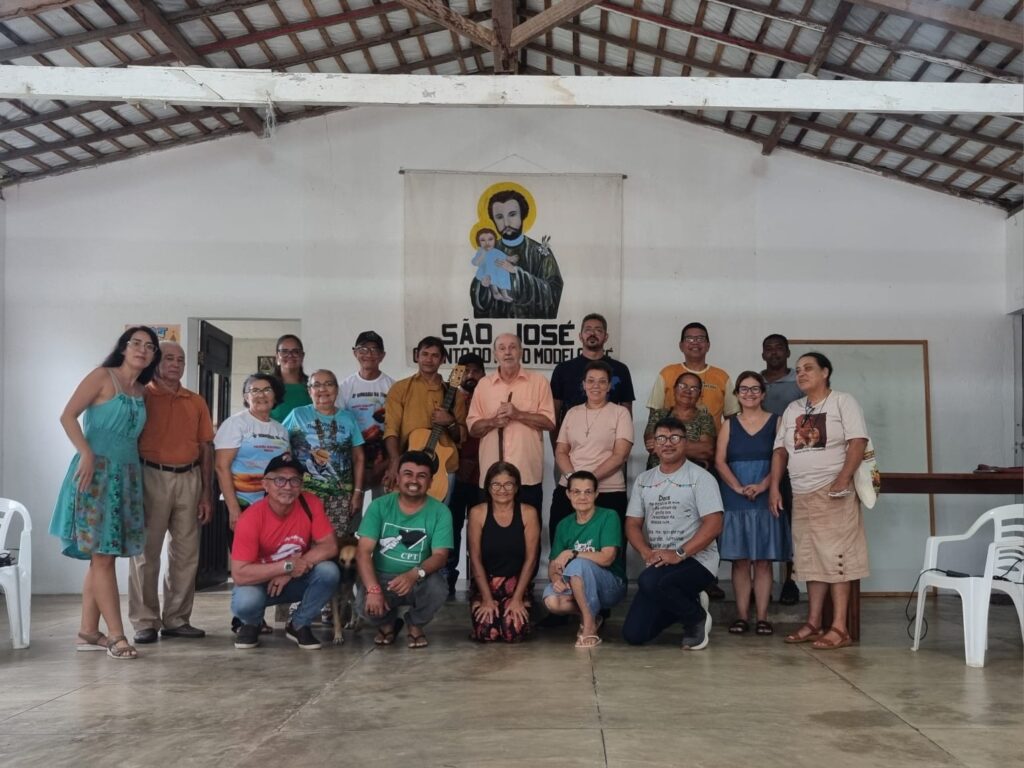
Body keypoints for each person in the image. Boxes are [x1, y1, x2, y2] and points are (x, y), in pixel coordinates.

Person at [51, 326, 161, 660]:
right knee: (103, 557)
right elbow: (67, 416)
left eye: (149, 346)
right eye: (135, 343)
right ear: (123, 348)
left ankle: (88, 630)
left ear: (153, 356)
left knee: (103, 556)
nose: (142, 350)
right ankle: (116, 635)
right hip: (94, 476)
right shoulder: (102, 376)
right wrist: (85, 452)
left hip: (126, 478)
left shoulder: (141, 391)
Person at [770, 352, 869, 651]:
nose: (801, 373)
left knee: (837, 557)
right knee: (809, 558)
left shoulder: (842, 401)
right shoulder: (793, 409)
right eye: (798, 369)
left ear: (825, 372)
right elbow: (780, 451)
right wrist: (774, 487)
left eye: (808, 368)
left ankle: (839, 627)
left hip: (833, 491)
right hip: (801, 492)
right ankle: (814, 623)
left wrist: (843, 478)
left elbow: (858, 442)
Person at [128, 341, 215, 645]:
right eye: (169, 359)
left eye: (180, 360)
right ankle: (144, 621)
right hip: (150, 475)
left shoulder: (196, 401)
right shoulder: (141, 396)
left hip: (190, 478)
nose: (175, 364)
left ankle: (177, 619)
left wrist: (206, 493)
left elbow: (206, 447)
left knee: (186, 554)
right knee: (145, 554)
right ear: (155, 362)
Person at [621, 417, 724, 650]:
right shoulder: (644, 480)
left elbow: (714, 524)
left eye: (674, 438)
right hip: (660, 564)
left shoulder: (700, 478)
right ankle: (688, 600)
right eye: (661, 438)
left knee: (649, 580)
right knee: (634, 634)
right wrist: (646, 552)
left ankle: (696, 618)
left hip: (697, 561)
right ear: (654, 445)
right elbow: (632, 524)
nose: (668, 443)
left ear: (685, 442)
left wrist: (678, 554)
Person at [230, 455, 340, 651]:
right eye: (280, 480)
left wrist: (291, 571)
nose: (288, 486)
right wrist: (286, 566)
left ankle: (299, 623)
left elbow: (330, 546)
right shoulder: (250, 518)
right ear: (265, 484)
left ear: (301, 485)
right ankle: (252, 623)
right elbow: (239, 573)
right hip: (260, 584)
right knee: (245, 601)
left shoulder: (310, 503)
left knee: (329, 571)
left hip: (295, 579)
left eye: (294, 480)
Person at [715, 371, 791, 636]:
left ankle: (763, 617)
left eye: (755, 388)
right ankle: (742, 616)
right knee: (740, 560)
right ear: (736, 394)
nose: (749, 394)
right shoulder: (728, 424)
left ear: (763, 393)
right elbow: (719, 461)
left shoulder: (777, 421)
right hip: (735, 496)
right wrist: (737, 487)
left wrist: (763, 486)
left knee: (763, 561)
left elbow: (782, 458)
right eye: (744, 389)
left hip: (766, 495)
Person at [355, 451, 453, 648]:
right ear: (397, 478)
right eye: (408, 474)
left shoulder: (440, 511)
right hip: (383, 577)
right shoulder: (379, 506)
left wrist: (414, 574)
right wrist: (373, 590)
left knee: (438, 588)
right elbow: (363, 552)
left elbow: (441, 556)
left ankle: (415, 624)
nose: (414, 480)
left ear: (431, 482)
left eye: (421, 476)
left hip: (419, 577)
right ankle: (387, 623)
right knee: (363, 606)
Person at [467, 333, 555, 513]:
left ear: (521, 352)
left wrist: (518, 414)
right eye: (502, 348)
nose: (507, 352)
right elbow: (473, 429)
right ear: (495, 354)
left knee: (529, 526)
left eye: (513, 347)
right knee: (489, 527)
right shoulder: (483, 385)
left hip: (527, 475)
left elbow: (549, 423)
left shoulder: (539, 382)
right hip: (491, 477)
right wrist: (493, 422)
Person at [552, 359, 633, 543]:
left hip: (608, 491)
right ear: (583, 384)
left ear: (609, 386)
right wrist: (573, 480)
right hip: (569, 489)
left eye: (602, 381)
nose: (596, 386)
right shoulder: (572, 413)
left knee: (607, 546)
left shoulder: (620, 413)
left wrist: (588, 482)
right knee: (562, 542)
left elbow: (620, 455)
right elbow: (561, 451)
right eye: (591, 381)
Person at [542, 471, 626, 648]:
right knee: (552, 600)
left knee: (578, 565)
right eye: (576, 492)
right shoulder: (564, 524)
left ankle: (588, 626)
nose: (582, 497)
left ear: (596, 494)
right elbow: (553, 564)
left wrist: (573, 553)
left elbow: (607, 558)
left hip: (610, 586)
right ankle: (594, 616)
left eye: (588, 492)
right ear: (568, 494)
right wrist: (556, 580)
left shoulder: (609, 516)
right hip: (577, 585)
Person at [283, 369, 366, 536]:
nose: (323, 389)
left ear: (336, 389)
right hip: (302, 494)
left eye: (329, 384)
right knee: (300, 539)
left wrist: (357, 493)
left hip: (340, 498)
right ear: (309, 391)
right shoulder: (298, 414)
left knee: (335, 541)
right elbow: (280, 442)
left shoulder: (348, 418)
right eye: (317, 385)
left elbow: (359, 457)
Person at [383, 336, 467, 493]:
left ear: (443, 359)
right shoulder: (400, 389)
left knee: (439, 509)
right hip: (407, 465)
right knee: (405, 508)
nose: (429, 359)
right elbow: (391, 429)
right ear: (417, 356)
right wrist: (394, 461)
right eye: (425, 354)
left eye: (435, 355)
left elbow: (461, 436)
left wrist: (450, 422)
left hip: (444, 467)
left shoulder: (454, 394)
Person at [467, 462, 541, 642]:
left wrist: (517, 598)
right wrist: (486, 598)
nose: (502, 490)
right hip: (486, 584)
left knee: (512, 632)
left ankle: (521, 611)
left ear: (516, 487)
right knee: (487, 633)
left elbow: (531, 559)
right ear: (488, 487)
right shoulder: (477, 513)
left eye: (508, 484)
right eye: (496, 484)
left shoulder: (528, 513)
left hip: (517, 585)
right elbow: (475, 558)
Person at [469, 188, 563, 319]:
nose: (506, 223)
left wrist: (516, 273)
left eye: (512, 215)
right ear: (493, 220)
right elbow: (478, 299)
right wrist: (483, 286)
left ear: (522, 215)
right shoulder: (488, 250)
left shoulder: (540, 252)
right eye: (499, 217)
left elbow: (553, 293)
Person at [214, 373, 290, 532]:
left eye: (267, 390)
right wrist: (234, 508)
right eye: (254, 390)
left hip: (273, 505)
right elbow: (221, 467)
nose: (261, 395)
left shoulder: (281, 429)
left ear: (275, 395)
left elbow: (285, 466)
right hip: (242, 503)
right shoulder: (235, 423)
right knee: (244, 548)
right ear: (246, 397)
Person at [760, 333, 804, 605]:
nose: (774, 352)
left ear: (788, 352)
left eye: (779, 348)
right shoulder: (755, 383)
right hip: (757, 463)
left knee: (792, 521)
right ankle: (759, 582)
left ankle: (790, 580)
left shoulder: (799, 382)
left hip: (793, 463)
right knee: (760, 522)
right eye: (769, 348)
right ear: (762, 354)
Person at [549, 313, 635, 445]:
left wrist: (621, 450)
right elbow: (554, 413)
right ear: (580, 336)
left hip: (609, 446)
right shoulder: (563, 370)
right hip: (571, 446)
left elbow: (627, 413)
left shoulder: (621, 369)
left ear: (606, 337)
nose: (592, 334)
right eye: (588, 330)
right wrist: (558, 449)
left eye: (598, 330)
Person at [446, 352, 487, 596]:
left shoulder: (490, 397)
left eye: (475, 371)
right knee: (451, 528)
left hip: (484, 475)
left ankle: (479, 580)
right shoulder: (449, 397)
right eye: (465, 371)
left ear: (483, 374)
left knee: (481, 529)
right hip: (455, 473)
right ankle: (448, 579)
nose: (470, 375)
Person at [338, 330, 394, 501]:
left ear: (382, 355)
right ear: (355, 352)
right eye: (363, 349)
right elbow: (339, 426)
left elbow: (397, 427)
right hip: (353, 459)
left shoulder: (393, 387)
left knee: (384, 508)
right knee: (352, 510)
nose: (369, 354)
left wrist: (390, 462)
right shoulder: (344, 387)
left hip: (383, 460)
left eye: (374, 350)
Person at [647, 322, 738, 427]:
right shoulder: (667, 373)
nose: (695, 343)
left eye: (700, 339)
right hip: (672, 436)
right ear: (681, 346)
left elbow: (732, 419)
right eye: (689, 339)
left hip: (712, 437)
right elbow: (654, 415)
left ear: (708, 345)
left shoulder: (722, 377)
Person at [643, 372, 716, 470]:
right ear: (674, 389)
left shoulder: (705, 418)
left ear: (699, 395)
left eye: (694, 388)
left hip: (692, 475)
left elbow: (707, 450)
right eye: (682, 386)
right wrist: (692, 448)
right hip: (658, 474)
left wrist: (664, 443)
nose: (687, 391)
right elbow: (651, 445)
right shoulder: (659, 414)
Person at [270, 334, 312, 422]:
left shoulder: (313, 385)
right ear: (277, 357)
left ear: (302, 356)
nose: (290, 355)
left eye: (295, 351)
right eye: (284, 351)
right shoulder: (267, 386)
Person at [471, 227, 513, 303]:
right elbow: (475, 262)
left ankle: (505, 294)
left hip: (496, 271)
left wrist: (510, 258)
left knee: (503, 273)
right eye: (483, 240)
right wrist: (482, 255)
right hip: (484, 272)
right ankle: (495, 293)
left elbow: (504, 256)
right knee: (491, 276)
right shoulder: (481, 251)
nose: (487, 243)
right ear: (478, 242)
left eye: (490, 239)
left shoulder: (495, 251)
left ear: (495, 241)